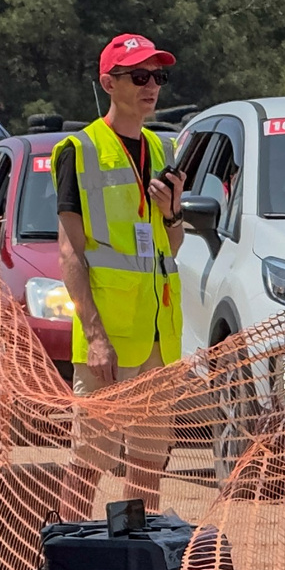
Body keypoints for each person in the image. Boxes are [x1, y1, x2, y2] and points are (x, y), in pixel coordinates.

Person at [52, 34, 186, 505]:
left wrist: (171, 213)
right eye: (139, 76)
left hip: (157, 338)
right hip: (107, 337)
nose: (151, 86)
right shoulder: (79, 149)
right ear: (109, 83)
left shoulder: (162, 148)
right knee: (90, 463)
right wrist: (94, 336)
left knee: (149, 466)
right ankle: (67, 560)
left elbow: (171, 246)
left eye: (158, 77)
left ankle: (138, 565)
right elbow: (70, 252)